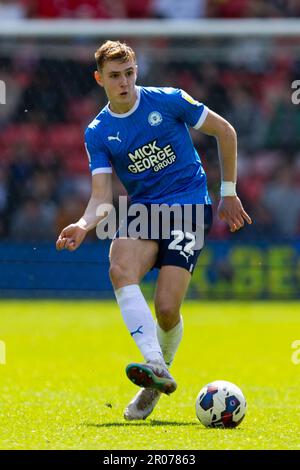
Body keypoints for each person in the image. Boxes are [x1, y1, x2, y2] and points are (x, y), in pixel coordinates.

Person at [56, 40, 252, 420]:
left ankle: (155, 381)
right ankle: (155, 366)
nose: (125, 82)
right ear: (100, 80)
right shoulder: (98, 132)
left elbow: (225, 131)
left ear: (136, 71)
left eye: (129, 73)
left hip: (189, 207)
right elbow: (101, 197)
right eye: (115, 76)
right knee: (119, 267)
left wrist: (228, 192)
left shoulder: (168, 100)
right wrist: (83, 224)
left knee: (166, 310)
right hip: (145, 212)